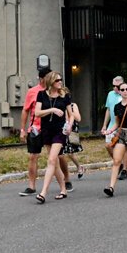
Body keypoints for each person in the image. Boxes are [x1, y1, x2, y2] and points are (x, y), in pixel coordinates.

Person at [34, 71, 74, 204]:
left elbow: (71, 114)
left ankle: (43, 192)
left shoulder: (64, 96)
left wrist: (69, 125)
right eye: (57, 80)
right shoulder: (41, 95)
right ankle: (63, 189)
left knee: (51, 160)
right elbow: (37, 113)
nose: (60, 82)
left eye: (61, 80)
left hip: (59, 131)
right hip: (46, 131)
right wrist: (52, 110)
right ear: (51, 82)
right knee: (55, 163)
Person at [19, 67, 52, 196]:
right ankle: (31, 186)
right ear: (42, 78)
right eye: (49, 77)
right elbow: (25, 110)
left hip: (51, 128)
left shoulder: (54, 91)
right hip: (35, 129)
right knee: (33, 156)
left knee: (56, 157)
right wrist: (22, 130)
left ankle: (65, 181)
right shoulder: (32, 92)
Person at [101, 76, 127, 180]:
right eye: (113, 86)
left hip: (124, 126)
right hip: (112, 125)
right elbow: (108, 110)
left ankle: (124, 170)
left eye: (117, 86)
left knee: (125, 148)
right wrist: (104, 125)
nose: (115, 88)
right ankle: (119, 163)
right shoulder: (110, 94)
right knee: (108, 145)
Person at [61, 97, 85, 184]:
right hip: (61, 129)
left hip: (71, 129)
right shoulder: (58, 105)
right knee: (61, 153)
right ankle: (63, 175)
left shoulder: (73, 105)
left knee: (70, 153)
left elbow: (78, 118)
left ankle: (79, 167)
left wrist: (70, 112)